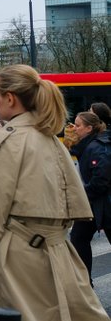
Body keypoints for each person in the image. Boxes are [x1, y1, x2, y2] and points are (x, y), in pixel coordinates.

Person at [0, 64, 108, 321]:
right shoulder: (51, 140)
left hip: (17, 259)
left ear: (10, 98)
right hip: (58, 253)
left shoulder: (4, 141)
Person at [69, 111, 111, 286]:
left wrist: (79, 193)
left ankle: (84, 283)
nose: (74, 128)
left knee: (79, 238)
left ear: (89, 128)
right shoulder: (88, 145)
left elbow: (100, 181)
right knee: (79, 237)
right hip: (95, 205)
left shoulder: (96, 147)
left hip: (103, 206)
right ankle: (84, 283)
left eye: (78, 125)